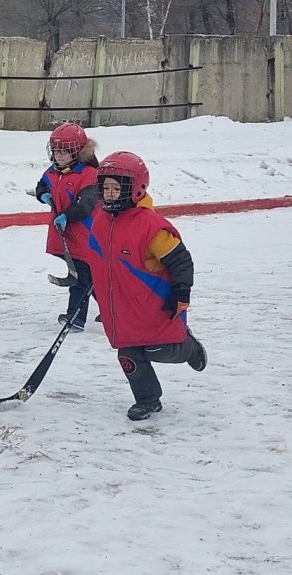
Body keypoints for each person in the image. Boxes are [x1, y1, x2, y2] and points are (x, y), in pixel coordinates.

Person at [86, 151, 208, 421]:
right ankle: (148, 400)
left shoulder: (152, 227)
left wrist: (181, 294)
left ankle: (189, 348)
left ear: (136, 190)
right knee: (128, 355)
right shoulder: (100, 221)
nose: (109, 194)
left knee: (159, 349)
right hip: (122, 306)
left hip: (153, 303)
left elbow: (181, 262)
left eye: (117, 189)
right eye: (105, 188)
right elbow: (96, 257)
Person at [33, 122, 99, 331]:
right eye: (56, 151)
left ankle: (76, 318)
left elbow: (86, 203)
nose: (59, 156)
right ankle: (113, 312)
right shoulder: (52, 173)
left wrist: (67, 216)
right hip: (65, 236)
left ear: (78, 152)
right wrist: (42, 194)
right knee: (92, 279)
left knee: (81, 278)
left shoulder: (89, 175)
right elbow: (42, 185)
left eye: (64, 152)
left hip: (85, 236)